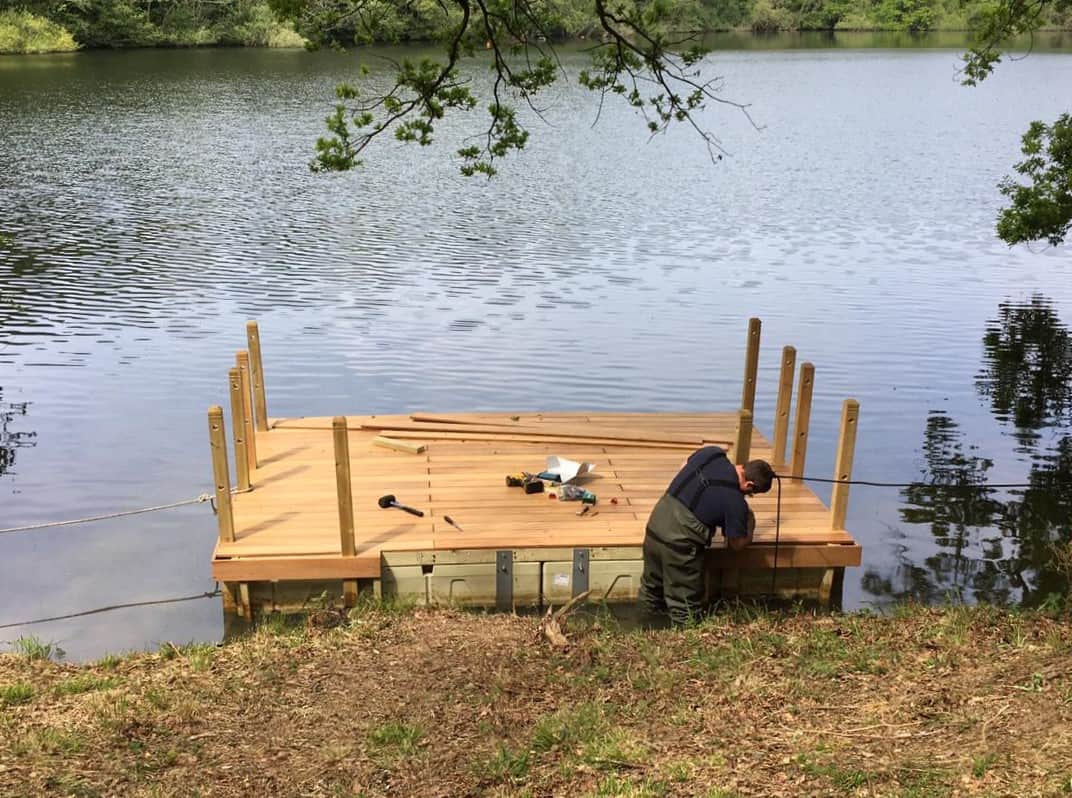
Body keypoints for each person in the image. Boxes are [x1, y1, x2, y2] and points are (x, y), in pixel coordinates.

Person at [638, 445, 775, 625]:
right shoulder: (736, 503)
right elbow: (737, 544)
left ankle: (642, 627)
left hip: (655, 527)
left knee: (651, 592)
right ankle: (683, 645)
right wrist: (750, 521)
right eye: (751, 493)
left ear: (744, 466)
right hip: (679, 547)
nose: (748, 496)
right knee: (685, 608)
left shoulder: (712, 454)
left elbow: (683, 466)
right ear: (749, 485)